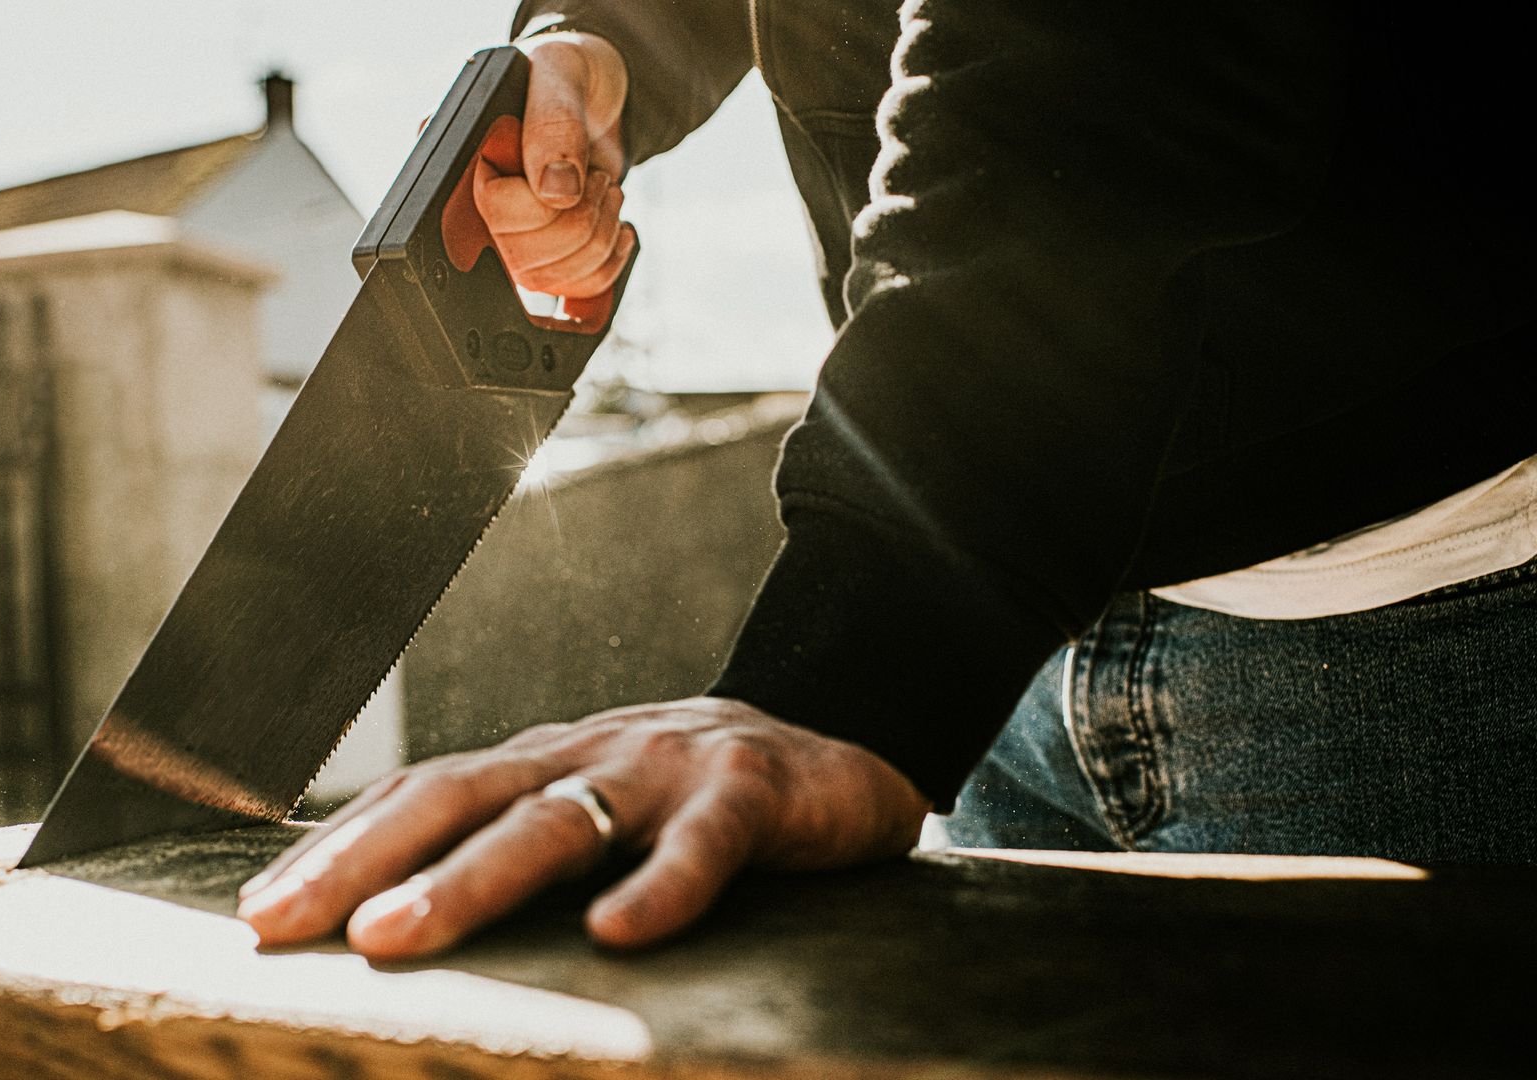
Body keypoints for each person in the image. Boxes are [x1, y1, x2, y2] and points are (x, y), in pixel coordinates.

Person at [239, 1, 1537, 960]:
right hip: (997, 665)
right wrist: (598, 39)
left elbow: (1101, 86)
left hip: (1406, 646)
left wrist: (849, 664)